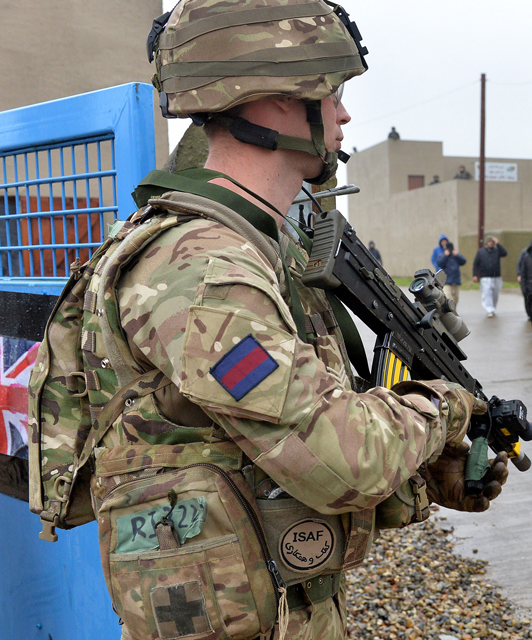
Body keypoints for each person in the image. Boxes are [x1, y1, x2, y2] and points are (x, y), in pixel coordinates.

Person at [74, 4, 509, 638]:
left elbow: (261, 459)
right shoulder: (201, 270)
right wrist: (448, 407)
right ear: (276, 102)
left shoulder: (257, 249)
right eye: (333, 93)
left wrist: (423, 480)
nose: (344, 114)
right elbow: (343, 459)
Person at [472, 235, 508, 317]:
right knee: (487, 293)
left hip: (496, 276)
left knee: (495, 294)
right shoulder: (481, 252)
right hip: (485, 277)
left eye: (492, 242)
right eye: (489, 242)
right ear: (486, 243)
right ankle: (489, 310)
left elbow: (505, 253)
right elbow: (475, 264)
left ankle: (493, 308)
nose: (491, 244)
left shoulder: (497, 250)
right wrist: (475, 275)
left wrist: (498, 244)